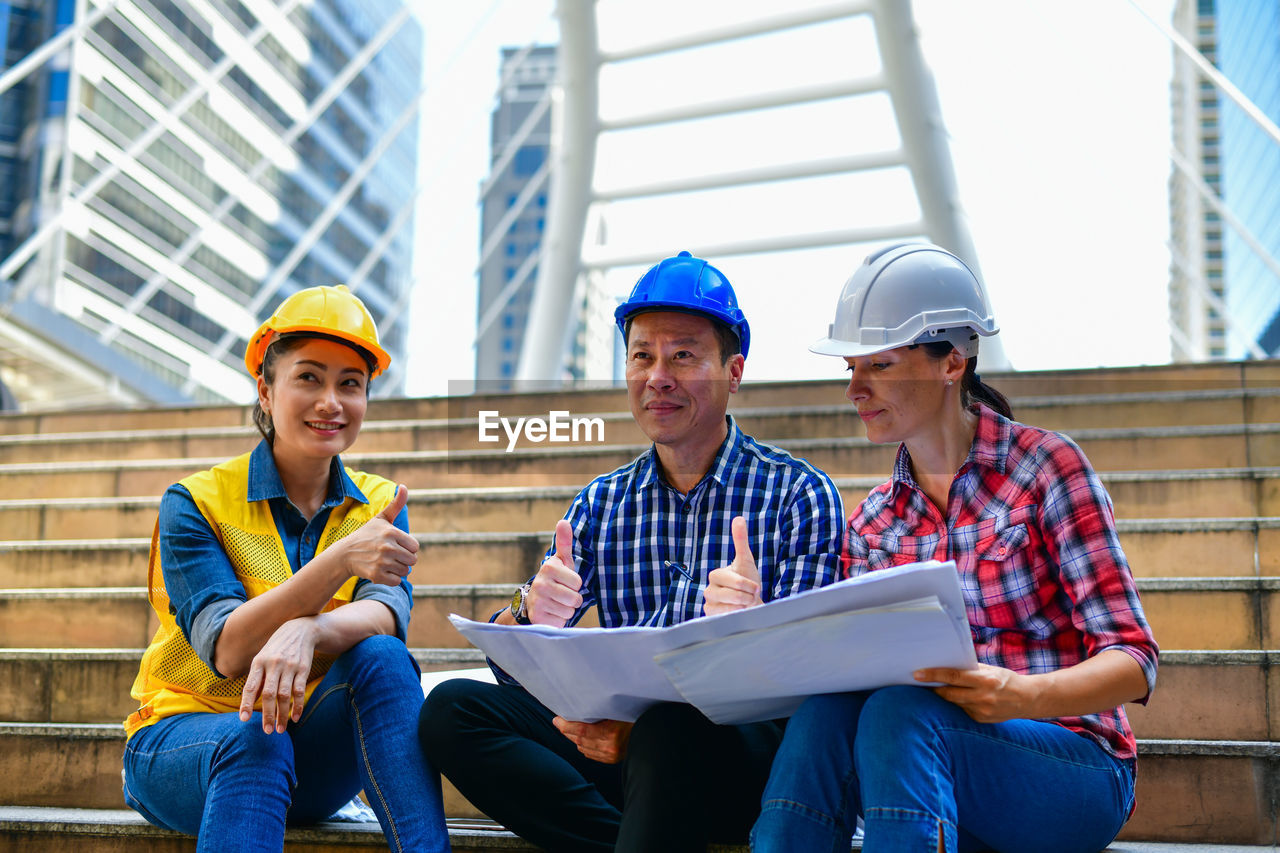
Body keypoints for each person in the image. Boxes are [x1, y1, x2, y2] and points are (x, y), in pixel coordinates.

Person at [419, 251, 845, 853]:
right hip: (621, 755)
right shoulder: (602, 503)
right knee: (453, 708)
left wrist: (755, 629)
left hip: (740, 762)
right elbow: (515, 673)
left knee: (668, 728)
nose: (657, 376)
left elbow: (816, 685)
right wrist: (528, 615)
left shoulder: (800, 494)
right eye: (642, 355)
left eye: (683, 355)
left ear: (734, 370)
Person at [742, 243, 1160, 853]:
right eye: (850, 369)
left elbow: (1135, 659)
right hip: (920, 764)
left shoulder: (1047, 469)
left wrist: (1023, 694)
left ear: (951, 363)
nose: (855, 389)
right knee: (825, 714)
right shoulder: (872, 523)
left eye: (879, 366)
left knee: (899, 714)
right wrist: (758, 621)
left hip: (1069, 764)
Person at [121, 285, 449, 853]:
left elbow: (387, 614)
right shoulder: (195, 502)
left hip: (308, 757)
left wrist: (311, 628)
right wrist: (340, 559)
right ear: (266, 391)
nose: (331, 401)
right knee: (257, 739)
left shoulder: (377, 503)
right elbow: (228, 650)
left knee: (384, 658)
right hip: (186, 744)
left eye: (351, 383)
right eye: (309, 377)